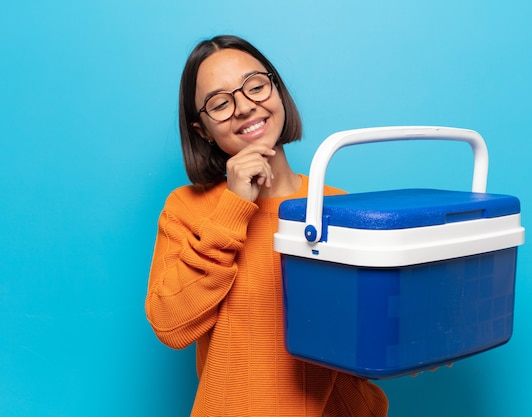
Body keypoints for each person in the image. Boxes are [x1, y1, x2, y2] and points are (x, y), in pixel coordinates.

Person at [145, 35, 388, 417]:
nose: (244, 107)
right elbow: (170, 325)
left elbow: (368, 333)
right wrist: (235, 206)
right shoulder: (187, 209)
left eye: (255, 86)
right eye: (220, 103)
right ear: (203, 129)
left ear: (277, 90)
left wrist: (421, 343)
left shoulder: (341, 206)